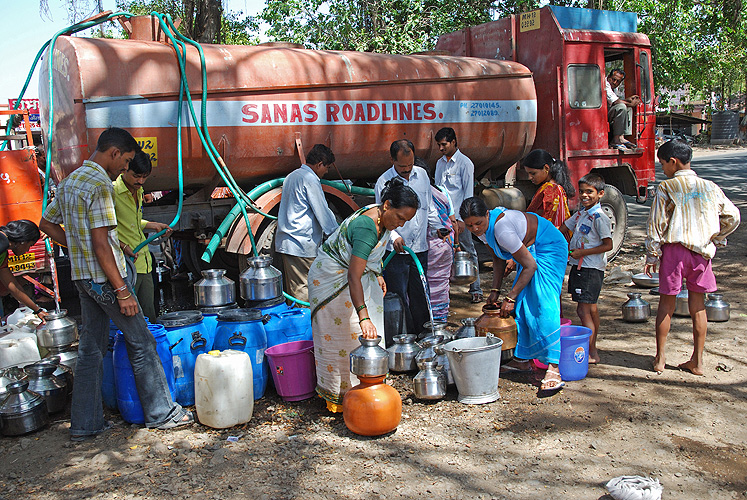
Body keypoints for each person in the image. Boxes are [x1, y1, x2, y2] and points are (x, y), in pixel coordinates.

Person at [40, 127, 191, 441]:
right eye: (125, 161)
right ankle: (162, 413)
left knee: (91, 350)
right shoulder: (100, 185)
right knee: (142, 341)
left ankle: (85, 424)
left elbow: (46, 224)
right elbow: (99, 243)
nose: (126, 168)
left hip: (83, 279)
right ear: (113, 153)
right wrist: (122, 289)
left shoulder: (69, 182)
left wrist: (80, 247)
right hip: (105, 281)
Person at [309, 178, 419, 412]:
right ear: (387, 205)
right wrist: (363, 316)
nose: (400, 224)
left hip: (354, 275)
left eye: (405, 221)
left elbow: (366, 258)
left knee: (363, 336)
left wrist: (376, 270)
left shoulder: (382, 220)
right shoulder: (367, 227)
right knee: (345, 335)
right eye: (400, 218)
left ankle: (368, 389)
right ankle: (341, 397)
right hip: (332, 279)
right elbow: (353, 276)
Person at [645, 140, 740, 375]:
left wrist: (652, 255)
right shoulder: (710, 186)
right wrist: (717, 236)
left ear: (673, 162)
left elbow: (657, 224)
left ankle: (660, 358)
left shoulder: (667, 187)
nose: (663, 169)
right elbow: (733, 216)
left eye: (663, 164)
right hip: (701, 253)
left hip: (674, 252)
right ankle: (697, 361)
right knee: (698, 306)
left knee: (666, 304)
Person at [461, 196, 567, 393]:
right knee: (523, 307)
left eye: (478, 223)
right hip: (530, 251)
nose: (475, 228)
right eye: (469, 226)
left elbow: (530, 265)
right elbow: (498, 258)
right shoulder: (483, 231)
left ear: (487, 214)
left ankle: (554, 367)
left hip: (548, 247)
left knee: (543, 305)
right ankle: (523, 359)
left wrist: (509, 297)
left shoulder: (502, 229)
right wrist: (495, 291)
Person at [375, 140, 435, 335]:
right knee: (398, 296)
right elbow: (380, 216)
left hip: (420, 248)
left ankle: (424, 336)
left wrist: (441, 227)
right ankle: (404, 338)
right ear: (392, 160)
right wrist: (394, 237)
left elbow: (429, 207)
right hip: (397, 251)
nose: (407, 170)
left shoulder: (423, 175)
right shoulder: (383, 182)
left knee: (420, 296)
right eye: (402, 167)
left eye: (410, 165)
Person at [275, 144, 339, 303]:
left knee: (296, 289)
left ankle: (298, 326)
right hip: (302, 245)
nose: (326, 172)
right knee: (305, 294)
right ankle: (306, 327)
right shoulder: (310, 179)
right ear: (319, 164)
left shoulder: (292, 176)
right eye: (327, 167)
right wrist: (339, 235)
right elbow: (323, 213)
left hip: (289, 242)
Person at [560, 173, 612, 364]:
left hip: (590, 269)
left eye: (589, 192)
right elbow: (563, 228)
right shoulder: (581, 214)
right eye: (581, 192)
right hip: (581, 267)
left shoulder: (599, 217)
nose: (584, 196)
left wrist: (582, 253)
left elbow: (608, 245)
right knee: (591, 309)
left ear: (600, 194)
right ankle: (594, 349)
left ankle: (590, 351)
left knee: (583, 311)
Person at [113, 151, 172, 321]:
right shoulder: (112, 192)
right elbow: (102, 232)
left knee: (149, 316)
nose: (140, 181)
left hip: (145, 262)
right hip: (126, 267)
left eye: (144, 177)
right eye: (136, 176)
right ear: (124, 170)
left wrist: (153, 225)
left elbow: (133, 221)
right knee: (130, 318)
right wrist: (123, 246)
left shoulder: (138, 191)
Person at [434, 127, 481, 302]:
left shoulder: (465, 163)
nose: (441, 148)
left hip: (461, 217)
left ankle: (475, 289)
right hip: (444, 217)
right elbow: (438, 191)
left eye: (444, 144)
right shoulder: (440, 163)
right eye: (438, 145)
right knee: (443, 252)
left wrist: (462, 220)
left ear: (454, 142)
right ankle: (444, 289)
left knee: (468, 250)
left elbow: (468, 193)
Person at [425, 158, 457, 322]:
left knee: (427, 283)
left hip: (430, 245)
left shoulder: (420, 192)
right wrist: (455, 243)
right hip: (446, 243)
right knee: (442, 283)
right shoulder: (443, 191)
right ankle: (441, 319)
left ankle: (429, 320)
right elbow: (453, 221)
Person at [0, 220, 49, 322]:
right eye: (30, 245)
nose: (27, 251)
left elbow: (14, 287)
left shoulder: (3, 253)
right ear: (23, 241)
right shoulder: (2, 242)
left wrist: (37, 310)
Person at [523, 149, 575, 228]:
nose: (529, 177)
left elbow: (545, 219)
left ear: (546, 168)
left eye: (533, 173)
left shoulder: (551, 190)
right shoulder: (554, 187)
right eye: (528, 173)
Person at [606, 69, 641, 150]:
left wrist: (628, 101)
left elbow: (617, 100)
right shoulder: (605, 84)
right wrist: (630, 103)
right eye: (613, 79)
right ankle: (616, 139)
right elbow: (615, 102)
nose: (615, 82)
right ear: (609, 77)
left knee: (628, 109)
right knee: (622, 107)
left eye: (618, 81)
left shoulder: (614, 88)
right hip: (600, 115)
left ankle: (622, 136)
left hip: (609, 112)